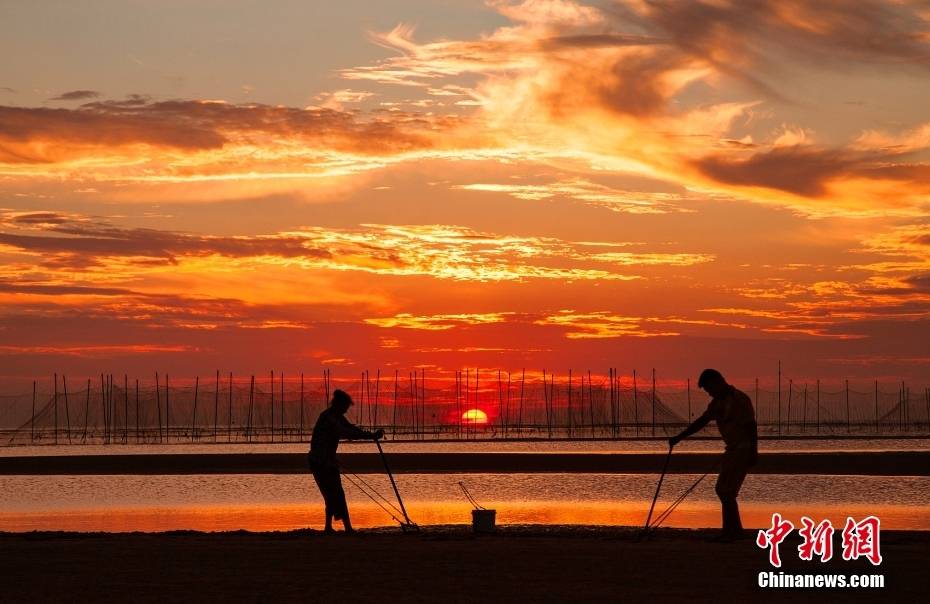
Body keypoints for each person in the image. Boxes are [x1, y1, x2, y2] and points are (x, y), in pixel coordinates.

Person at [668, 369, 758, 542]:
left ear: (717, 382)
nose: (709, 393)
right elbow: (702, 421)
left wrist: (754, 452)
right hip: (731, 449)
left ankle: (732, 532)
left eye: (709, 388)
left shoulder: (739, 399)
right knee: (724, 490)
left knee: (726, 490)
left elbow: (751, 427)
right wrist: (679, 438)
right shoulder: (717, 402)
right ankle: (733, 531)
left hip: (742, 449)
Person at [309, 389, 384, 533]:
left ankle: (334, 527)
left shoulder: (337, 416)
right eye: (345, 406)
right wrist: (370, 437)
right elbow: (347, 433)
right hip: (319, 461)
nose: (346, 410)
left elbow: (350, 428)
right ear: (338, 404)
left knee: (334, 493)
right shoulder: (329, 418)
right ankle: (342, 527)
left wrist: (370, 435)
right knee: (333, 493)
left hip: (327, 460)